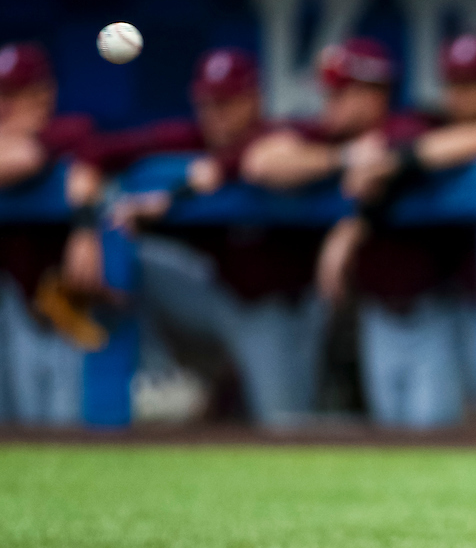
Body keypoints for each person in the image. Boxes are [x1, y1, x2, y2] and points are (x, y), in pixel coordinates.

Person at [90, 47, 323, 426]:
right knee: (128, 254)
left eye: (228, 102)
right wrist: (88, 213)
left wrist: (193, 184)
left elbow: (265, 158)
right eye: (208, 103)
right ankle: (161, 380)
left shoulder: (281, 134)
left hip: (271, 308)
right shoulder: (191, 138)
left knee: (285, 424)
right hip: (213, 292)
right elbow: (101, 149)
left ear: (254, 98)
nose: (215, 114)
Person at [309, 33, 476, 427]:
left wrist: (387, 172)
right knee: (397, 435)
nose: (463, 96)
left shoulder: (423, 133)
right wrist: (357, 217)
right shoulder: (419, 126)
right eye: (455, 84)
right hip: (411, 307)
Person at [0, 41, 99, 424]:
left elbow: (22, 159)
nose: (5, 106)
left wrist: (85, 228)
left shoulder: (71, 132)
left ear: (45, 95)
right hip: (14, 308)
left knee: (65, 428)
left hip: (65, 302)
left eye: (15, 94)